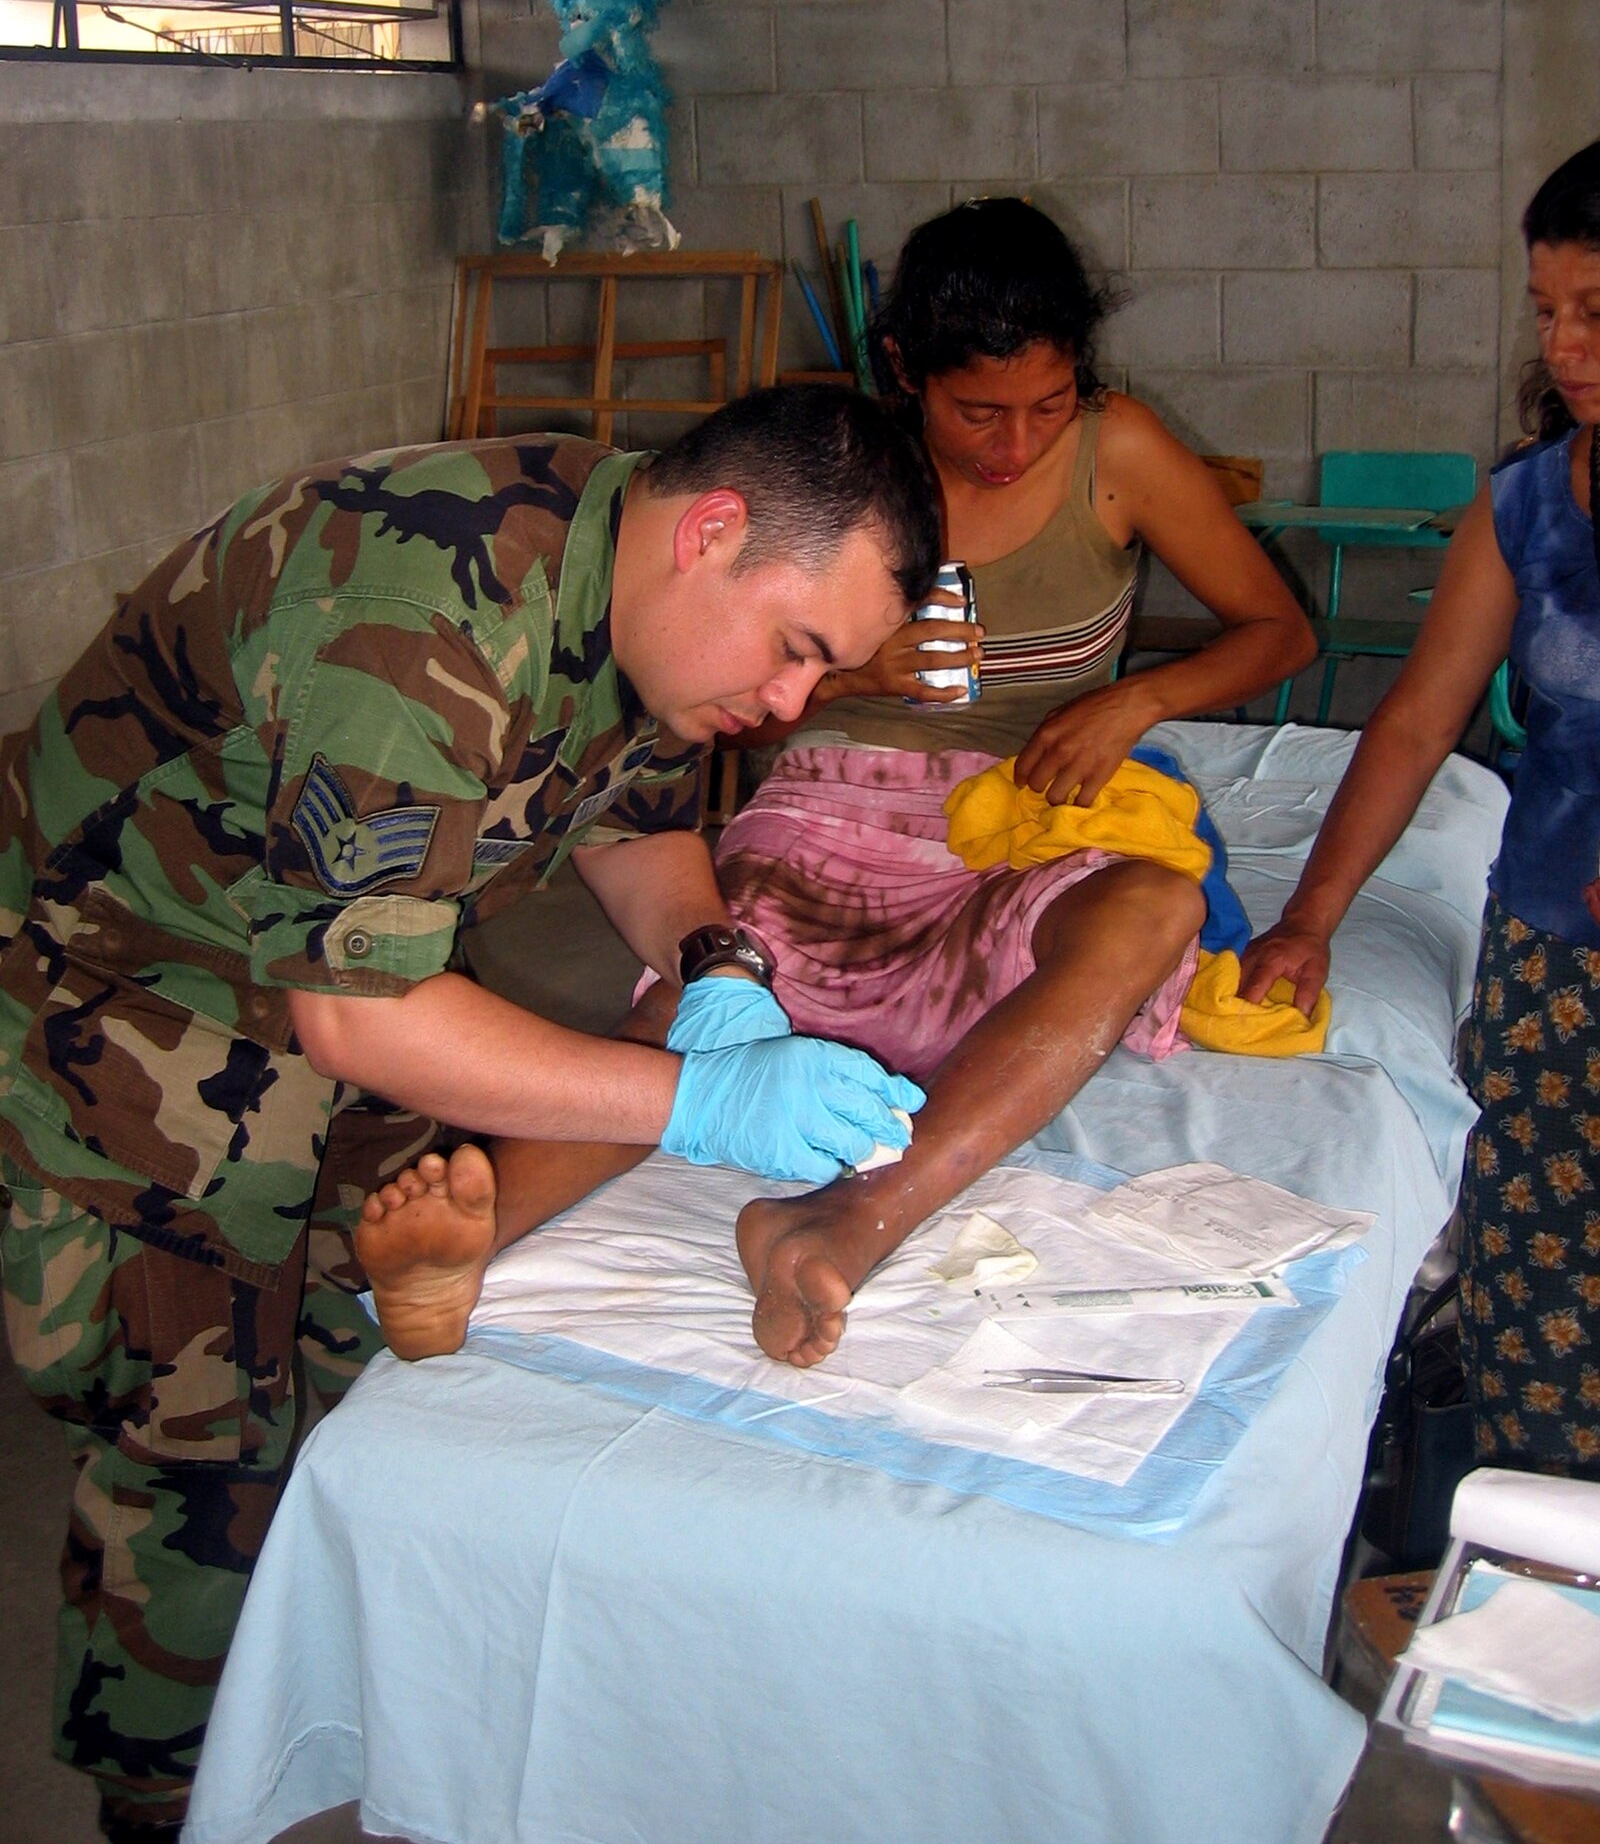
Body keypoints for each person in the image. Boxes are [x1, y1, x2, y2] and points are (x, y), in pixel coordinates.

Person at [0, 380, 938, 1844]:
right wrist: (698, 1098)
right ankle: (166, 1798)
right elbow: (360, 1012)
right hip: (121, 993)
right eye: (799, 651)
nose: (791, 704)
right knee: (197, 1433)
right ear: (716, 530)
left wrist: (719, 970)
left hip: (319, 963)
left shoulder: (636, 583)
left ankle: (334, 1689)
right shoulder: (416, 619)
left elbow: (637, 822)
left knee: (378, 1336)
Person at [359, 196, 1314, 1374]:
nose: (1014, 446)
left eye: (1047, 407)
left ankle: (846, 1219)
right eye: (977, 411)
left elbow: (1277, 630)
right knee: (715, 971)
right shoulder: (841, 478)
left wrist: (1135, 699)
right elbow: (725, 700)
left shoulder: (1118, 455)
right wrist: (853, 668)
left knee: (1147, 908)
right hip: (835, 800)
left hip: (1024, 807)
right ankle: (478, 1227)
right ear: (907, 372)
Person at [1240, 140, 1600, 1484]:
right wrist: (1312, 918)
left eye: (1596, 313)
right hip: (1555, 972)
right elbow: (1412, 722)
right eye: (1548, 309)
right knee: (1540, 1297)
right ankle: (1539, 1571)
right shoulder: (1527, 508)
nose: (1564, 345)